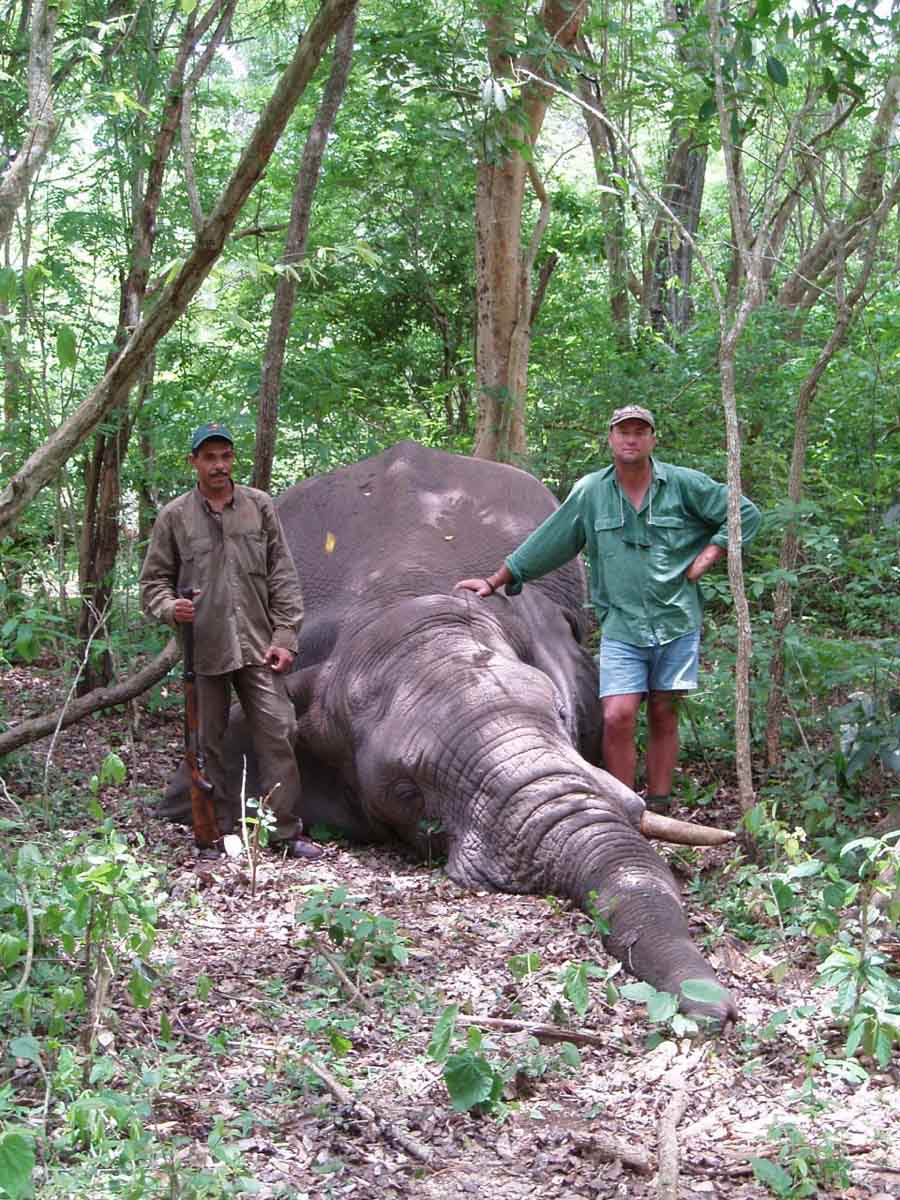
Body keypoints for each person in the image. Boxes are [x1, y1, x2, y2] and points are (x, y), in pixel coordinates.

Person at [456, 405, 761, 811]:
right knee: (617, 716)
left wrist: (709, 555)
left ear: (653, 439)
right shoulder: (591, 492)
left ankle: (660, 803)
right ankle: (623, 809)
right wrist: (496, 580)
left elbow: (745, 512)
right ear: (611, 438)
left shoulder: (683, 485)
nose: (631, 438)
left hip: (676, 619)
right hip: (621, 625)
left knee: (664, 713)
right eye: (623, 431)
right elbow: (551, 540)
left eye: (640, 431)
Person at [140, 421, 322, 859]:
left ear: (232, 459)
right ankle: (218, 831)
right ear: (194, 463)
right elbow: (152, 585)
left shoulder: (259, 507)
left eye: (225, 456)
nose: (219, 465)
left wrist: (285, 636)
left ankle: (281, 831)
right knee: (209, 743)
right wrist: (171, 609)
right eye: (209, 457)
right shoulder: (175, 517)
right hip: (204, 651)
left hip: (258, 645)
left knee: (279, 730)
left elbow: (283, 575)